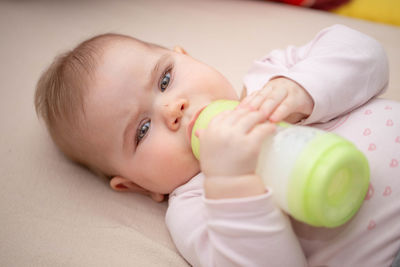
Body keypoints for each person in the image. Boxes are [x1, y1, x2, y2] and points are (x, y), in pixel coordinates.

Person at [34, 24, 400, 266]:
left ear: (187, 56)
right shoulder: (195, 207)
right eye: (142, 130)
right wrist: (231, 184)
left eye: (164, 79)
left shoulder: (267, 80)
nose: (171, 108)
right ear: (135, 185)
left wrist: (302, 87)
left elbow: (365, 53)